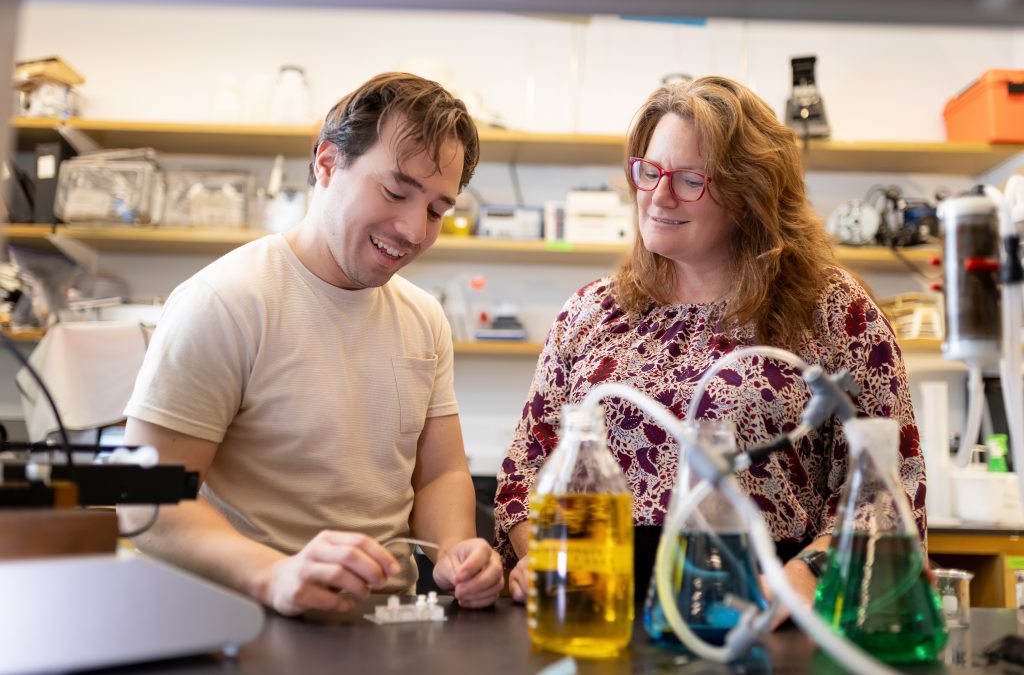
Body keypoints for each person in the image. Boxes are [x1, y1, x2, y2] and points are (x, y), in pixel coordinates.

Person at [494, 75, 926, 615]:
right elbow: (524, 473)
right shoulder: (591, 313)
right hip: (596, 610)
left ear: (751, 195)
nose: (658, 195)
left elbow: (889, 482)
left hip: (761, 612)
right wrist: (548, 562)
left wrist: (804, 579)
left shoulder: (834, 310)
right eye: (649, 172)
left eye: (690, 179)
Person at [122, 73, 503, 616]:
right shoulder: (226, 301)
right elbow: (145, 501)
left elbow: (440, 472)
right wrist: (273, 575)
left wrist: (457, 550)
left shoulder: (424, 317)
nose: (414, 230)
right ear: (327, 163)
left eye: (437, 210)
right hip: (248, 623)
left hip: (385, 627)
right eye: (395, 191)